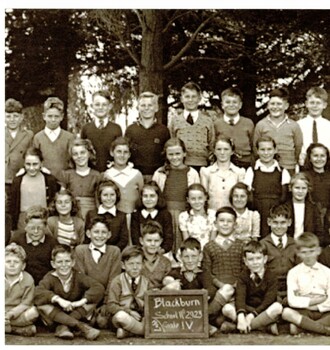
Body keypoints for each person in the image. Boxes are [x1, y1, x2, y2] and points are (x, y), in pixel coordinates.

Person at [34, 245, 104, 340]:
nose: (64, 265)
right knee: (42, 305)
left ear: (73, 262)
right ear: (53, 264)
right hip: (55, 316)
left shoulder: (78, 276)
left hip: (74, 311)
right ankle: (80, 326)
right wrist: (58, 300)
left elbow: (98, 287)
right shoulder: (50, 277)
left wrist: (82, 301)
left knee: (92, 301)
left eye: (67, 261)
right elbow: (38, 292)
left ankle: (63, 327)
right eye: (59, 262)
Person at [162, 237, 217, 337]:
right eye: (186, 257)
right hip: (179, 311)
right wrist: (170, 282)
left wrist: (204, 294)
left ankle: (199, 324)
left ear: (200, 257)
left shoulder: (204, 273)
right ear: (180, 257)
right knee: (173, 286)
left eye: (194, 256)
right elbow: (167, 279)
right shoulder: (176, 272)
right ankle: (200, 326)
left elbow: (211, 289)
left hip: (198, 310)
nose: (190, 260)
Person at [152, 138, 200, 253]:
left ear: (184, 153)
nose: (175, 157)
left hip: (184, 214)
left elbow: (196, 195)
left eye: (178, 153)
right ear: (166, 155)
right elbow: (155, 195)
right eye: (171, 154)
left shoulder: (192, 173)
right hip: (165, 214)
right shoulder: (160, 173)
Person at [74, 215, 122, 329]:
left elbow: (113, 280)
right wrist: (89, 300)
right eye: (96, 232)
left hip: (106, 299)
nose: (100, 236)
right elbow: (81, 279)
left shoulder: (114, 251)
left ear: (109, 235)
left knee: (102, 323)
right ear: (88, 234)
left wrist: (106, 303)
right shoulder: (80, 250)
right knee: (88, 320)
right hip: (85, 299)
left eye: (103, 232)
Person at [202, 206, 244, 332]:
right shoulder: (209, 247)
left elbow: (245, 270)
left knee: (228, 310)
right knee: (226, 295)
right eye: (221, 221)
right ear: (215, 223)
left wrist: (236, 286)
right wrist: (222, 286)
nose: (225, 224)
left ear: (235, 225)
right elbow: (207, 272)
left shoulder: (242, 245)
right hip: (218, 291)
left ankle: (219, 322)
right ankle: (205, 319)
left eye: (229, 221)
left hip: (239, 291)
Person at [282, 232, 330, 336]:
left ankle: (303, 328)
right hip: (304, 312)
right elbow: (292, 300)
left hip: (325, 312)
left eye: (311, 251)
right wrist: (311, 302)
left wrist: (317, 307)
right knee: (286, 312)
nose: (308, 256)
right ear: (298, 253)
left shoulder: (327, 272)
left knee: (294, 326)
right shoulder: (294, 273)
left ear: (318, 251)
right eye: (304, 252)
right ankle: (325, 330)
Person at [244, 136, 290, 237]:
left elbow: (285, 197)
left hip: (276, 214)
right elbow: (248, 196)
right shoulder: (251, 171)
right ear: (257, 151)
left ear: (275, 150)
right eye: (262, 149)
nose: (266, 153)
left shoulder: (282, 172)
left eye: (269, 149)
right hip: (257, 212)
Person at [235, 241, 283, 335]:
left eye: (258, 258)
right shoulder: (243, 276)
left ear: (265, 259)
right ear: (245, 261)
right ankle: (264, 326)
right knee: (227, 309)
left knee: (277, 307)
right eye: (251, 259)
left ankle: (240, 327)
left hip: (264, 310)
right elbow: (240, 297)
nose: (255, 262)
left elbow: (269, 300)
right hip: (248, 308)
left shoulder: (271, 276)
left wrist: (252, 315)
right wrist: (241, 316)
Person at [253, 87, 303, 175]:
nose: (275, 107)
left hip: (288, 167)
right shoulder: (261, 125)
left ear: (286, 106)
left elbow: (298, 147)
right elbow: (255, 147)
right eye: (272, 104)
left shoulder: (294, 125)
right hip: (268, 168)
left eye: (279, 104)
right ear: (268, 105)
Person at [168, 81, 215, 172]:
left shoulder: (207, 120)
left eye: (194, 97)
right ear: (182, 99)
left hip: (202, 165)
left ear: (199, 98)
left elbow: (211, 142)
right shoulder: (175, 120)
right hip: (181, 165)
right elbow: (172, 140)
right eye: (187, 97)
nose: (190, 100)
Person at [10, 147, 59, 231]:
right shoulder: (18, 180)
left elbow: (54, 198)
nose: (31, 168)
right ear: (24, 164)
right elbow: (13, 204)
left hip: (44, 220)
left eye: (35, 164)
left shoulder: (49, 179)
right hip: (23, 221)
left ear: (41, 163)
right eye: (28, 164)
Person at [105, 245, 149, 339]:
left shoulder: (146, 281)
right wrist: (128, 312)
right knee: (120, 317)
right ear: (123, 265)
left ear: (143, 265)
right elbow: (111, 305)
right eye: (131, 264)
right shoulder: (117, 281)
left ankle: (129, 332)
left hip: (140, 317)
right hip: (123, 316)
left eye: (138, 263)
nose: (135, 267)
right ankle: (143, 331)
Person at [125, 91, 170, 181]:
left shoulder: (163, 130)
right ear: (138, 107)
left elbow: (167, 155)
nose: (146, 108)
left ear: (156, 108)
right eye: (143, 105)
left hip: (157, 176)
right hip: (135, 176)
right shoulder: (130, 130)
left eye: (150, 105)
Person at [9, 206, 57, 285]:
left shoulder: (52, 242)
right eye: (32, 228)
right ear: (26, 226)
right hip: (22, 283)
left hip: (45, 284)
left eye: (40, 228)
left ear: (45, 227)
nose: (35, 231)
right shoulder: (17, 239)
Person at [261, 204, 298, 303]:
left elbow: (299, 270)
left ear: (289, 222)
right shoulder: (263, 244)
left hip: (290, 289)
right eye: (275, 223)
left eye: (283, 223)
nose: (279, 226)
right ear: (269, 222)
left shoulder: (295, 244)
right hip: (270, 290)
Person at [33, 97, 75, 180]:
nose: (53, 119)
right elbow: (34, 160)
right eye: (50, 116)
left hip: (64, 181)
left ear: (62, 117)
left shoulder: (69, 137)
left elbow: (72, 162)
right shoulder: (38, 137)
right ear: (44, 116)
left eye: (56, 116)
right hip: (43, 180)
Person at [58, 138, 101, 219]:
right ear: (72, 157)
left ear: (89, 154)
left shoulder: (96, 175)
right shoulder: (66, 174)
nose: (79, 156)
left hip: (91, 213)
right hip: (72, 213)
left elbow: (99, 199)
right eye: (75, 154)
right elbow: (62, 196)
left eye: (82, 152)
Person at [81, 90, 122, 172]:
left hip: (111, 172)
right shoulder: (86, 128)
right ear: (92, 106)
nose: (100, 107)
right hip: (90, 173)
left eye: (104, 105)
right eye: (97, 104)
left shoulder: (116, 129)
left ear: (110, 106)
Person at [214, 87, 254, 169]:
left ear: (240, 105)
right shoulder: (216, 124)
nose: (231, 105)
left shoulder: (248, 123)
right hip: (223, 163)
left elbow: (254, 146)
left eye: (235, 102)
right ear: (222, 105)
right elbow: (212, 145)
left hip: (245, 163)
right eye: (228, 102)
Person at [200, 136, 245, 210]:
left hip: (232, 215)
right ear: (214, 151)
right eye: (219, 149)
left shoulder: (239, 172)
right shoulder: (206, 172)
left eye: (226, 149)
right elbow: (204, 197)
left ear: (232, 151)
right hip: (212, 214)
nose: (222, 152)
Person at [5, 243, 39, 337]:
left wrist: (11, 314)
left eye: (16, 262)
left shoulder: (28, 279)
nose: (12, 265)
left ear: (23, 265)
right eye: (8, 262)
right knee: (31, 329)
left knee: (34, 312)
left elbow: (26, 303)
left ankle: (6, 328)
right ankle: (13, 329)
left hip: (17, 313)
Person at [131, 181, 173, 254]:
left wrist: (161, 251)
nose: (148, 199)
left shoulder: (165, 214)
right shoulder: (136, 215)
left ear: (158, 197)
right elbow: (135, 238)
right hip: (142, 252)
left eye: (152, 196)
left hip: (161, 252)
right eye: (145, 196)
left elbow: (168, 238)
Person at [85, 180, 128, 250]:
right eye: (105, 195)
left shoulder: (121, 216)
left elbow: (124, 240)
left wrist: (111, 252)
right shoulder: (91, 214)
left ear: (117, 195)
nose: (109, 198)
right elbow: (87, 238)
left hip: (114, 253)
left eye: (112, 195)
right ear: (100, 196)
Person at [5, 98, 33, 197]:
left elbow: (31, 155)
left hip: (21, 178)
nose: (12, 120)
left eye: (15, 116)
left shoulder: (28, 135)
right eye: (8, 116)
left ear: (21, 117)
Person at [283, 173, 322, 240]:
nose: (300, 191)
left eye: (304, 188)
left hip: (307, 245)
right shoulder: (284, 207)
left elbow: (319, 231)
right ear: (290, 188)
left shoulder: (313, 208)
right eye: (297, 188)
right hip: (289, 246)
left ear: (308, 189)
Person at [303, 142, 330, 239]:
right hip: (310, 215)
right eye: (315, 156)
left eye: (322, 156)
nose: (319, 159)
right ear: (310, 158)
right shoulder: (305, 175)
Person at [298, 87, 330, 167]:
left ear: (324, 105)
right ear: (306, 104)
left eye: (318, 103)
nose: (315, 106)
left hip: (326, 165)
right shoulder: (298, 125)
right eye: (312, 103)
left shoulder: (328, 125)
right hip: (304, 164)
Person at [179, 183, 216, 250]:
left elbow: (212, 241)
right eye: (193, 199)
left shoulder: (212, 215)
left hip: (209, 251)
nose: (197, 202)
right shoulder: (184, 216)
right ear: (188, 200)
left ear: (205, 197)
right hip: (191, 251)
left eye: (200, 198)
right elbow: (187, 241)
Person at [139, 221, 171, 289]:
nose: (153, 244)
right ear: (141, 241)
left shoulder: (166, 262)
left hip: (159, 297)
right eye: (149, 240)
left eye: (156, 241)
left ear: (161, 241)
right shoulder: (135, 260)